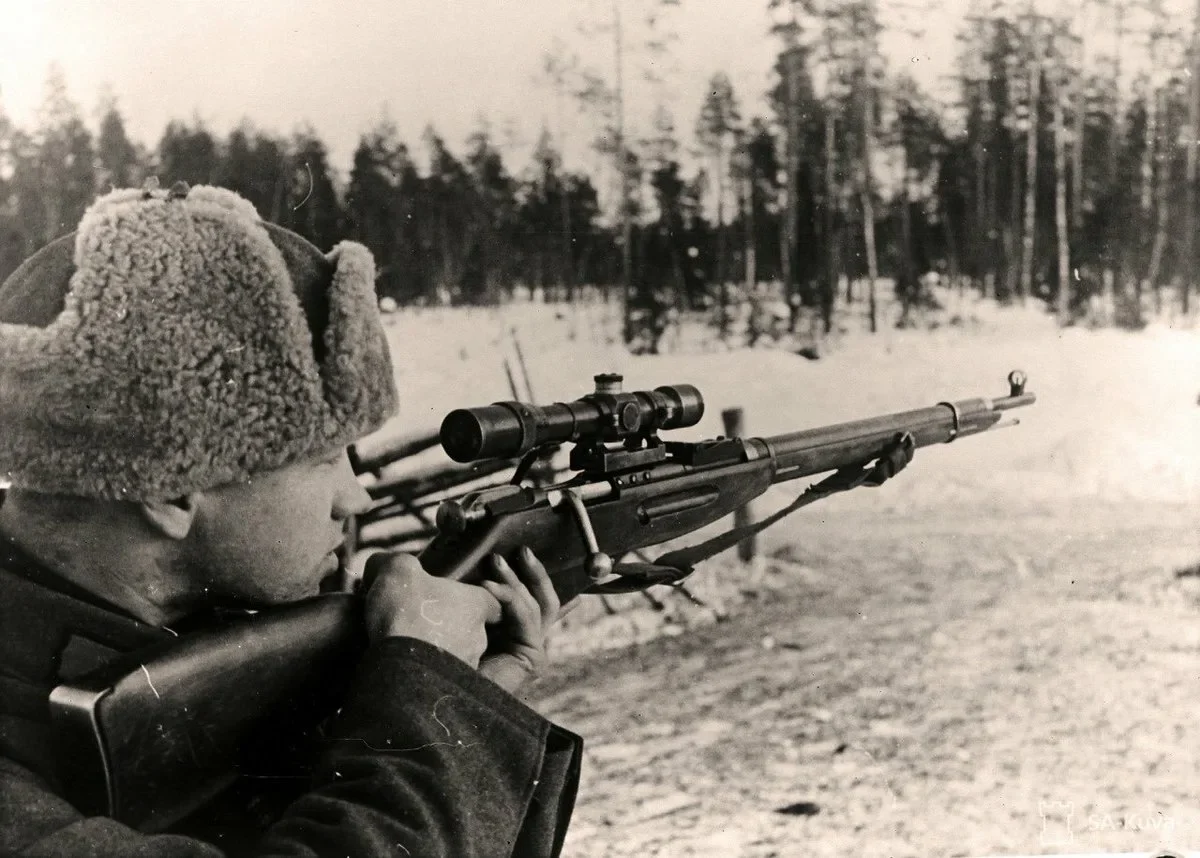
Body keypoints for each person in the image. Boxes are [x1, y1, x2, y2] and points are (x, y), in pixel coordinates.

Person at [0, 183, 581, 856]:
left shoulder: (184, 651)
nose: (355, 497)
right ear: (173, 493)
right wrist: (426, 712)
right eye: (322, 459)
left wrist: (464, 712)